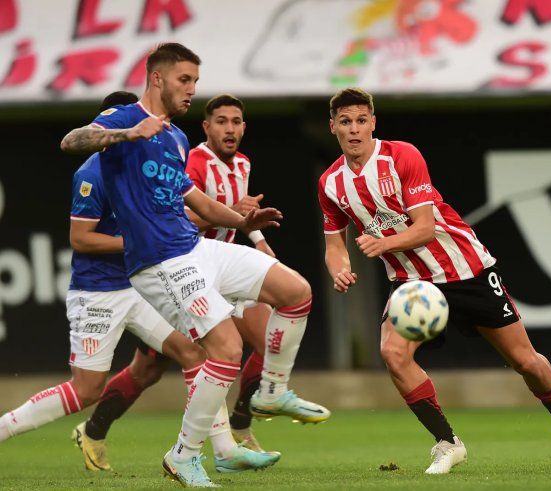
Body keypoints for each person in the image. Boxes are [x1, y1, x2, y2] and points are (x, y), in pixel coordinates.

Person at [60, 43, 319, 488]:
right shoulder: (125, 119)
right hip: (158, 263)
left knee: (297, 292)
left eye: (195, 82)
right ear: (157, 78)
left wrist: (243, 220)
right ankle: (184, 456)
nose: (191, 90)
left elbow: (196, 201)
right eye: (184, 80)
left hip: (197, 250)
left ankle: (273, 391)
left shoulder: (175, 138)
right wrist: (127, 134)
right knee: (226, 349)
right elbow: (71, 141)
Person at [318, 87, 551, 475]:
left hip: (467, 270)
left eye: (362, 120)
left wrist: (382, 243)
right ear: (333, 128)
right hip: (412, 283)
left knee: (524, 361)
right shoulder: (331, 183)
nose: (354, 129)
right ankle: (447, 443)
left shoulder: (402, 156)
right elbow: (334, 245)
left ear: (373, 123)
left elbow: (426, 229)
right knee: (393, 354)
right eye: (345, 122)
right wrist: (339, 268)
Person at [0, 92, 206, 463]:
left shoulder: (146, 168)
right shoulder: (91, 173)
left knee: (193, 352)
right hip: (97, 293)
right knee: (86, 390)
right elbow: (80, 239)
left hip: (138, 285)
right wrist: (138, 239)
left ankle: (203, 452)